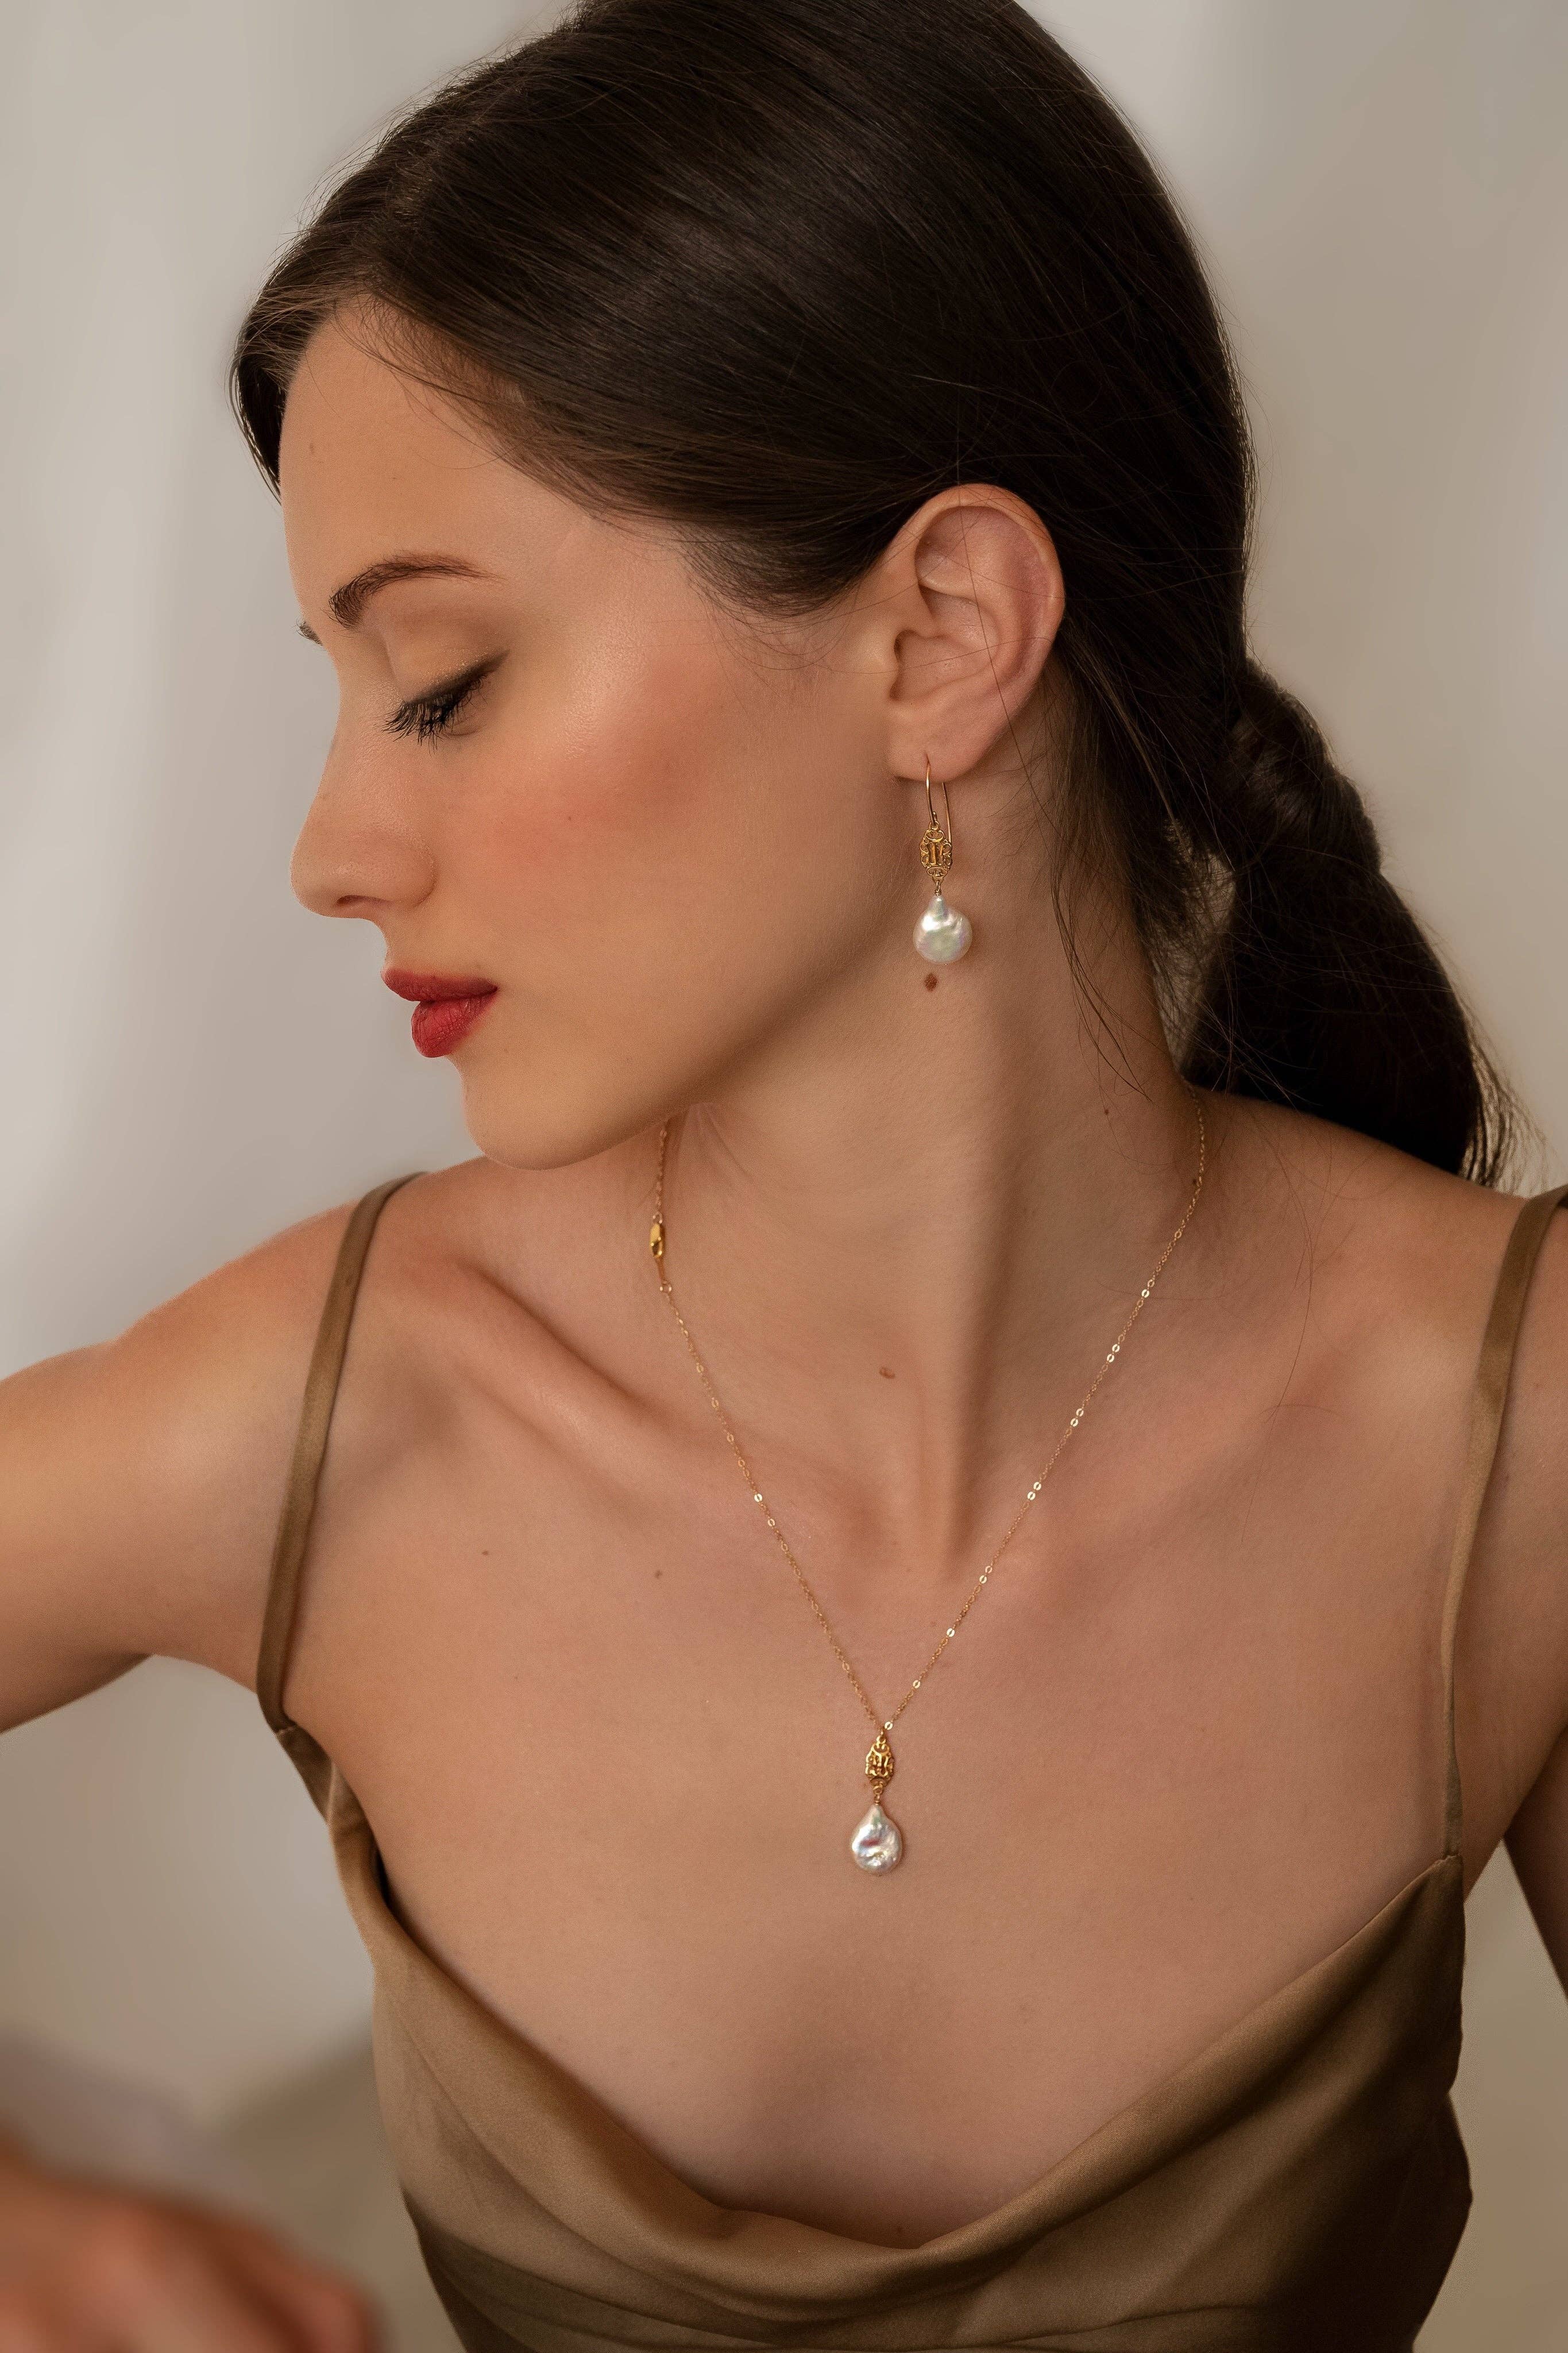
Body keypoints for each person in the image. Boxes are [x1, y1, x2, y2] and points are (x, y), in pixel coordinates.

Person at [3, 0, 1566, 2344]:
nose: (331, 848)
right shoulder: (343, 1411)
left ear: (939, 636)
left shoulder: (1512, 1443)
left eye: (439, 680)